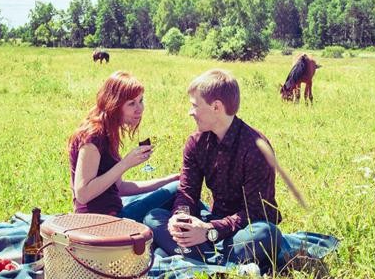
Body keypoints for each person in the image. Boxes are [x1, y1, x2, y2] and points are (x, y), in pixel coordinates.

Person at [144, 69, 283, 268]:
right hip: (210, 221)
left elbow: (256, 212)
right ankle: (217, 263)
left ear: (216, 107)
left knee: (267, 233)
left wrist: (210, 231)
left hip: (242, 229)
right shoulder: (196, 142)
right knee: (154, 217)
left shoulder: (256, 148)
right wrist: (180, 218)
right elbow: (187, 191)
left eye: (195, 105)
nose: (190, 112)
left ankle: (191, 257)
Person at [68, 71, 179, 221]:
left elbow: (119, 188)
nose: (139, 108)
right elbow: (83, 194)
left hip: (113, 210)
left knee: (172, 185)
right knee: (178, 187)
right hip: (101, 221)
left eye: (141, 101)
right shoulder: (94, 137)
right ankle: (207, 226)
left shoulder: (108, 131)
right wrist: (126, 163)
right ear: (114, 104)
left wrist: (167, 180)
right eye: (131, 103)